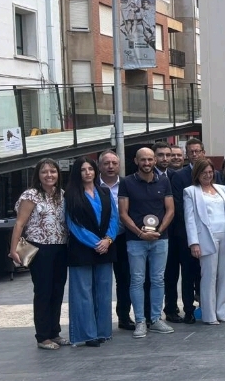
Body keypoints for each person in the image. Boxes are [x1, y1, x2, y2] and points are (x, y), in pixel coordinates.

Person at [9, 159, 69, 350]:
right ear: (38, 175)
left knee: (57, 291)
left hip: (60, 247)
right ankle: (43, 336)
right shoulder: (31, 195)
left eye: (53, 171)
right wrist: (13, 249)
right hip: (40, 248)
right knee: (43, 291)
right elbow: (20, 223)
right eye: (44, 172)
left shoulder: (62, 194)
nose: (49, 175)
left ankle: (54, 332)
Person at [118, 148, 176, 338]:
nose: (147, 163)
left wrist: (159, 231)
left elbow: (170, 210)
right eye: (143, 159)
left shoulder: (164, 181)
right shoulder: (127, 182)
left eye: (150, 159)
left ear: (154, 161)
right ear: (136, 161)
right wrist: (139, 233)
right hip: (136, 240)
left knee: (158, 279)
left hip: (160, 239)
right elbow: (123, 213)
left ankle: (156, 319)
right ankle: (140, 321)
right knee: (137, 280)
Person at [65, 158, 119, 347]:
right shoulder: (70, 195)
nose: (87, 172)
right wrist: (96, 243)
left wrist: (108, 240)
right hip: (82, 249)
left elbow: (114, 218)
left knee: (104, 292)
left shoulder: (105, 192)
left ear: (95, 171)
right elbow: (73, 224)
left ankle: (103, 331)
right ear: (77, 173)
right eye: (83, 169)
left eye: (90, 169)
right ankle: (87, 335)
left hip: (106, 248)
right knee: (83, 293)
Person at [184, 159, 225, 324]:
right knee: (209, 276)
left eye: (210, 172)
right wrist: (194, 243)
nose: (207, 175)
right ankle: (209, 315)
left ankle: (222, 312)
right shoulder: (190, 192)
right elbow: (189, 219)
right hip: (206, 237)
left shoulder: (222, 189)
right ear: (197, 174)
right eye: (204, 173)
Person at [166, 138, 210, 325]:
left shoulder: (212, 173)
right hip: (185, 233)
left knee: (206, 272)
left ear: (203, 152)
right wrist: (193, 230)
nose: (194, 154)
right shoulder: (179, 176)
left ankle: (207, 306)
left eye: (197, 151)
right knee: (188, 273)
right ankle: (189, 310)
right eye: (191, 151)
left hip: (209, 233)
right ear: (187, 154)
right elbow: (178, 206)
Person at [98, 150, 139, 331]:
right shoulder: (91, 185)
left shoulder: (127, 184)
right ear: (99, 166)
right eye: (106, 163)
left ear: (119, 165)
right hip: (99, 240)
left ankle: (123, 316)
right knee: (101, 280)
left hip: (123, 237)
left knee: (125, 279)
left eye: (114, 163)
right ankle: (100, 319)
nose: (111, 166)